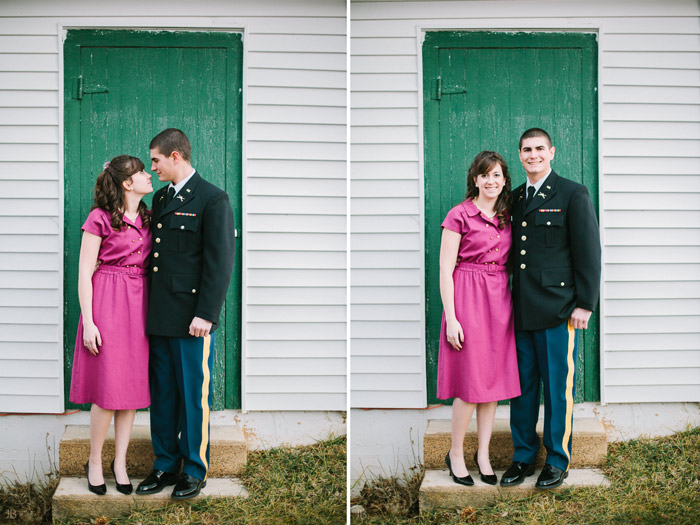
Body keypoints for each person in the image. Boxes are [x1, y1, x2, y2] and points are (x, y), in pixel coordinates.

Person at [135, 129, 235, 500]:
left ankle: (194, 469)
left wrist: (206, 313)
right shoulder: (161, 198)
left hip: (193, 319)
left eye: (157, 160)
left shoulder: (213, 199)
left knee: (194, 395)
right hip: (159, 315)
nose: (153, 167)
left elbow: (220, 262)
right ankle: (164, 463)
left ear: (176, 156)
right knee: (162, 394)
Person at [502, 128, 601, 489]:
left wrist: (585, 304)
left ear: (552, 152)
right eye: (527, 149)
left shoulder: (572, 193)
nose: (533, 155)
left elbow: (588, 251)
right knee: (522, 388)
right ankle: (523, 457)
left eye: (539, 148)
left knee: (558, 388)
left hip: (560, 310)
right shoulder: (513, 198)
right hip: (522, 310)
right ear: (520, 154)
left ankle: (557, 460)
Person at [69, 155, 153, 495]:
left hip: (140, 302)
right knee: (106, 390)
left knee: (130, 388)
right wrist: (89, 322)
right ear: (126, 183)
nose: (149, 175)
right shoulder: (99, 218)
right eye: (142, 172)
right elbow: (85, 272)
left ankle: (120, 462)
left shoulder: (150, 217)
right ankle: (94, 461)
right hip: (106, 301)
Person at [437, 151, 521, 486]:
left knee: (492, 385)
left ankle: (483, 454)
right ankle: (456, 453)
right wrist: (452, 317)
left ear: (504, 180)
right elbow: (446, 268)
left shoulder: (507, 216)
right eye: (485, 175)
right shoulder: (459, 215)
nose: (491, 181)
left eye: (497, 175)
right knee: (470, 385)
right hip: (468, 296)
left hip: (499, 299)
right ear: (475, 179)